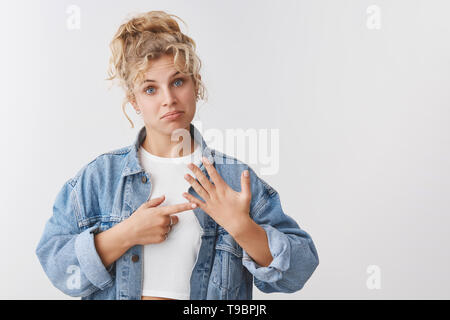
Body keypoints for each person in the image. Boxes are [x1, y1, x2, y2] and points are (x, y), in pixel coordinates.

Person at [35, 10, 319, 300]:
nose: (168, 99)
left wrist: (241, 226)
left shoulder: (233, 178)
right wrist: (126, 233)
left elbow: (300, 269)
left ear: (196, 84)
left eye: (178, 81)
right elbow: (57, 267)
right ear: (134, 101)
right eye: (150, 89)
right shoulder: (100, 177)